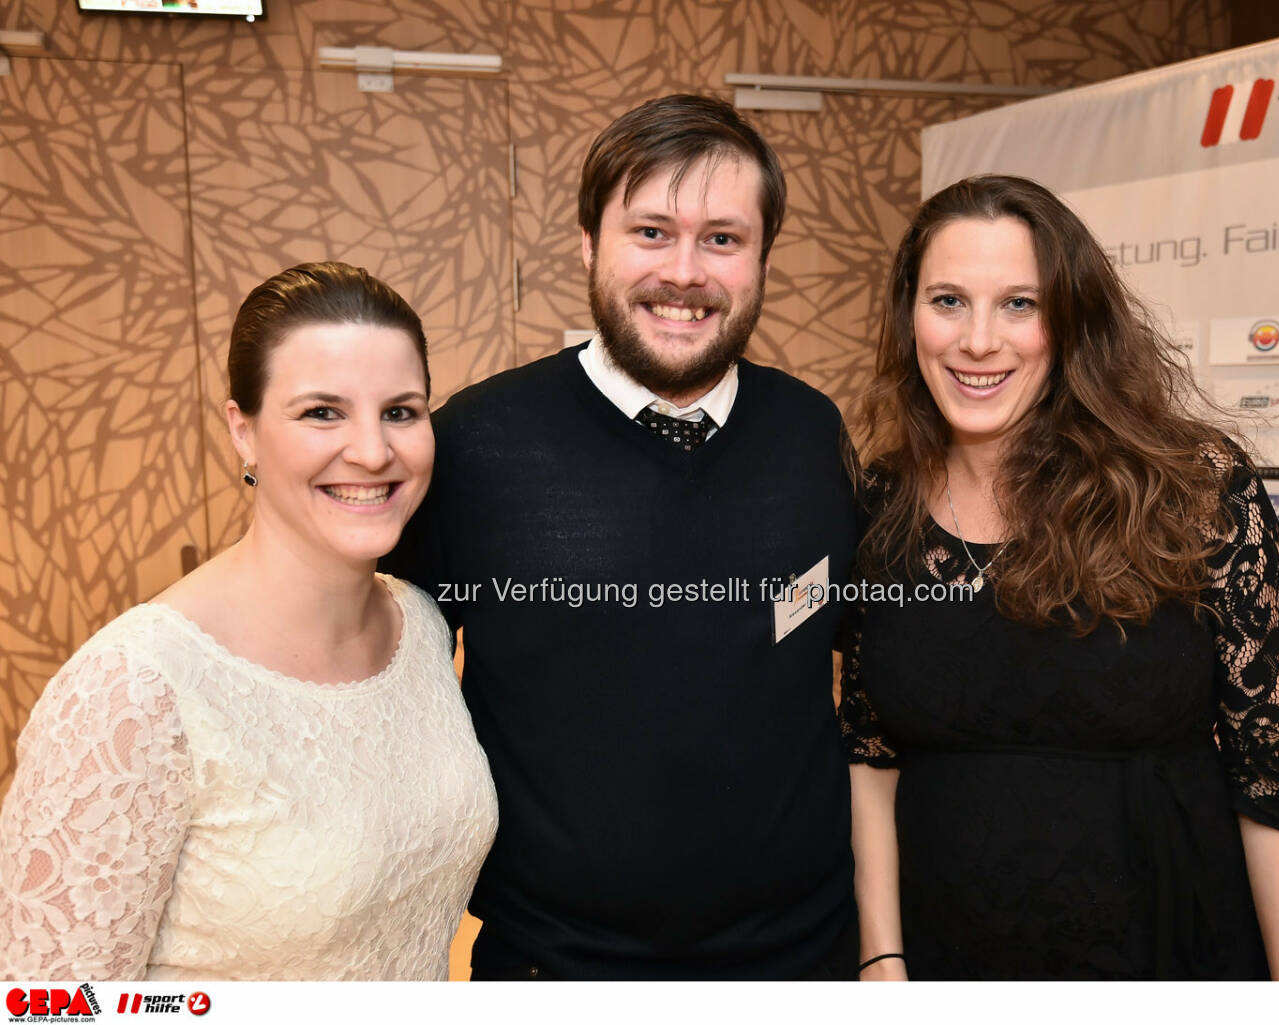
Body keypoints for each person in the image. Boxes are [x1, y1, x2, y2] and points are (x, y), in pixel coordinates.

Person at [380, 94, 858, 979]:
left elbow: (838, 654)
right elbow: (378, 689)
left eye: (722, 238)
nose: (685, 272)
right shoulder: (477, 445)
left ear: (760, 260)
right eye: (650, 232)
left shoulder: (811, 434)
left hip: (807, 958)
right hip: (558, 967)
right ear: (589, 245)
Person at [841, 175, 1279, 980]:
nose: (977, 341)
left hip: (1167, 952)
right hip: (941, 956)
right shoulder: (880, 504)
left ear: (1071, 320)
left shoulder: (1195, 491)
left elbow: (1276, 773)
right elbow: (867, 748)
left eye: (1019, 305)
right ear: (909, 316)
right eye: (949, 301)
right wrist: (881, 955)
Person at [0, 262, 497, 980]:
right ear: (244, 430)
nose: (371, 450)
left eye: (400, 410)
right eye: (321, 411)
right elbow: (46, 1001)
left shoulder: (419, 624)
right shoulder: (132, 691)